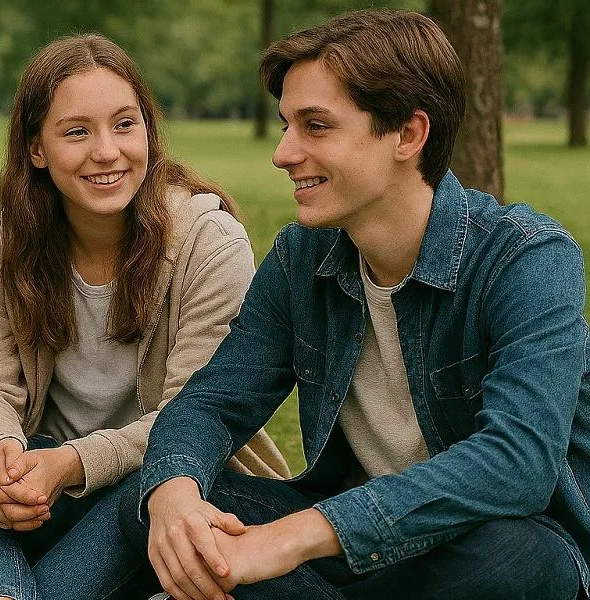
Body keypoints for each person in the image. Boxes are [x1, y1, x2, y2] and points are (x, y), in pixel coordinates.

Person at [127, 9, 589, 600]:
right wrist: (173, 493)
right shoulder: (304, 256)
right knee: (159, 510)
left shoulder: (526, 258)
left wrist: (295, 538)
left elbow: (518, 463)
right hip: (354, 549)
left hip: (475, 546)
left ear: (408, 135)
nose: (283, 153)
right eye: (286, 125)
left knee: (520, 561)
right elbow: (212, 403)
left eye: (315, 126)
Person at [0, 34, 290, 600]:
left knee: (143, 493)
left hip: (172, 490)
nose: (107, 151)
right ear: (36, 149)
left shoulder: (208, 241)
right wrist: (6, 454)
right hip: (48, 484)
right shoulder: (8, 242)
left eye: (125, 124)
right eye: (78, 131)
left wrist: (70, 464)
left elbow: (190, 420)